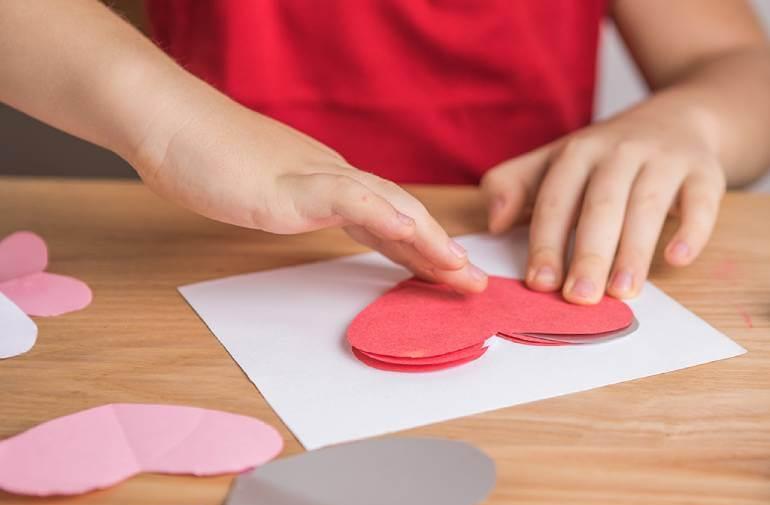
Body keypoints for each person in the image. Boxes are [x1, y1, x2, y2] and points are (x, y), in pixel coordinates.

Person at [2, 1, 769, 304]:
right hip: (207, 268)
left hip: (524, 257)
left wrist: (693, 123)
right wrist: (170, 122)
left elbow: (747, 71)